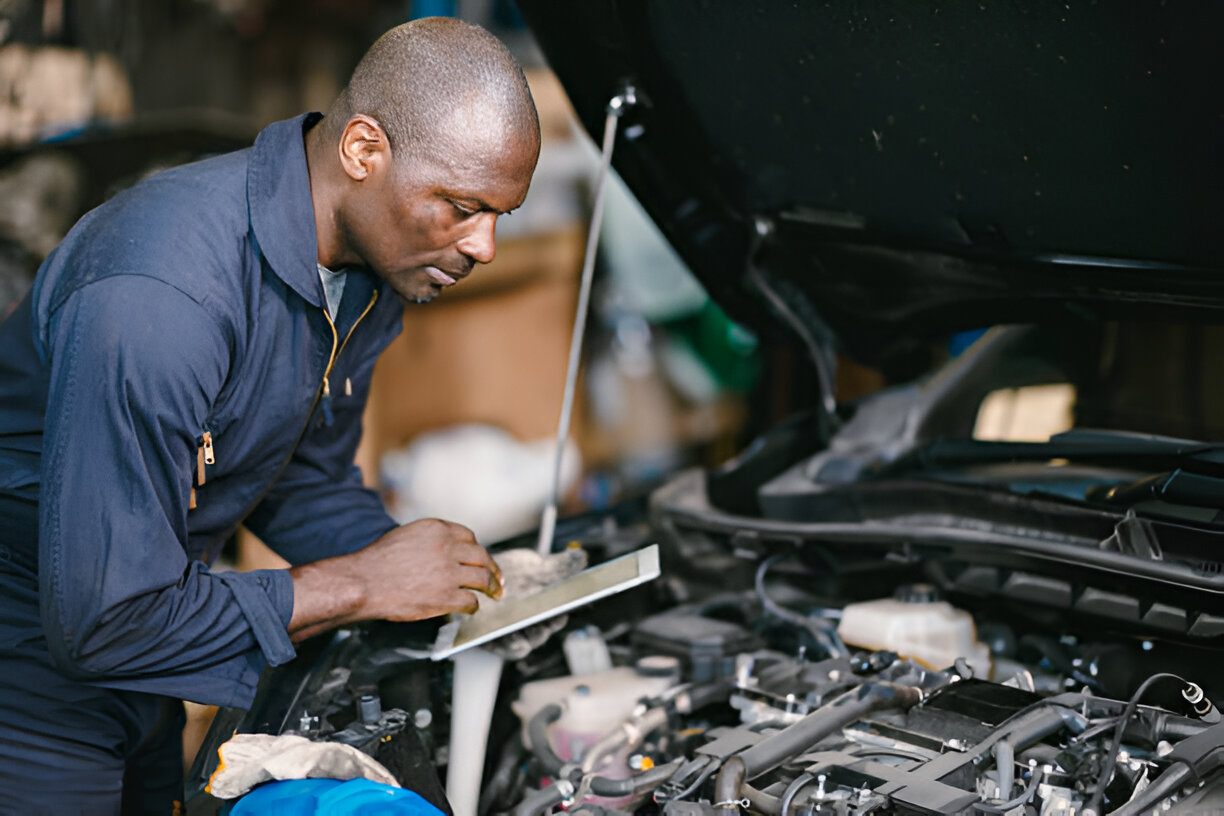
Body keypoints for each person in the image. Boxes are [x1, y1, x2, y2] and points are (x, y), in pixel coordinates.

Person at [0, 16, 539, 813]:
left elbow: (298, 477)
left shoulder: (373, 267)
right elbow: (102, 618)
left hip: (150, 648)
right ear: (363, 151)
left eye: (499, 214)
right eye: (461, 205)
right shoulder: (163, 297)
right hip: (30, 665)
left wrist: (456, 591)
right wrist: (361, 583)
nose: (484, 246)